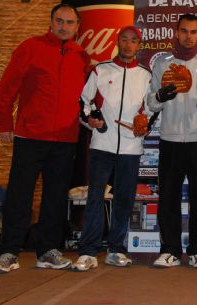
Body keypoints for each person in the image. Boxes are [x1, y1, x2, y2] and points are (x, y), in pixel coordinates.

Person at [0, 3, 89, 273]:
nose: (64, 27)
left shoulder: (81, 56)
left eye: (70, 23)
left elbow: (87, 99)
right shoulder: (30, 48)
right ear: (51, 21)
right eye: (59, 21)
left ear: (77, 27)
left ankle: (47, 250)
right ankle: (9, 251)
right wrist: (4, 123)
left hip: (65, 139)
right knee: (19, 195)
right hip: (30, 135)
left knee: (56, 198)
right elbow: (6, 89)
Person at [72, 26, 152, 271]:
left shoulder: (146, 75)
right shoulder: (100, 69)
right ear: (118, 42)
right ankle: (88, 250)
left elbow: (150, 110)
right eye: (124, 40)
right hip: (102, 145)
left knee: (124, 200)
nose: (128, 45)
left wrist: (145, 126)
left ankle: (116, 248)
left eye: (133, 41)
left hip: (131, 147)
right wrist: (90, 120)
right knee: (95, 197)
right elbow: (84, 103)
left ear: (139, 45)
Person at [148, 14, 197, 268]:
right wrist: (161, 95)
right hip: (169, 139)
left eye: (193, 32)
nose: (188, 36)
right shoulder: (162, 65)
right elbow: (151, 102)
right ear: (176, 33)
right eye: (184, 31)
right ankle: (170, 250)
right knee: (169, 197)